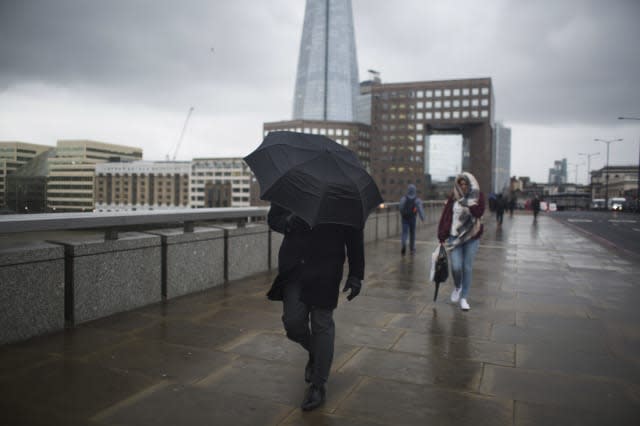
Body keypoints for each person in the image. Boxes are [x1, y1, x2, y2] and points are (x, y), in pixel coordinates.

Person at [267, 203, 365, 411]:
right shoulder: (295, 184)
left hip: (327, 268)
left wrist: (356, 274)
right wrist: (287, 221)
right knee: (293, 323)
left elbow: (354, 236)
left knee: (322, 323)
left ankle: (318, 384)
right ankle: (316, 352)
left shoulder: (343, 196)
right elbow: (273, 218)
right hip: (295, 267)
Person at [437, 172, 485, 311]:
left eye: (465, 184)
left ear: (470, 184)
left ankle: (464, 298)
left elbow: (479, 213)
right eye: (460, 184)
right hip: (454, 237)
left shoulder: (478, 196)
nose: (463, 187)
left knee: (467, 267)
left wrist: (469, 202)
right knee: (456, 266)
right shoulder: (453, 197)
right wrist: (441, 236)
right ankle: (458, 286)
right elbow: (446, 216)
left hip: (471, 237)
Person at [399, 184, 425, 255]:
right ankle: (412, 249)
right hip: (412, 218)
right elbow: (420, 209)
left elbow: (400, 207)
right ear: (414, 191)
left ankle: (403, 244)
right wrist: (422, 217)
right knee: (412, 234)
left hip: (404, 218)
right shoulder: (417, 200)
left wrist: (403, 214)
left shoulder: (404, 198)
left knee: (404, 233)